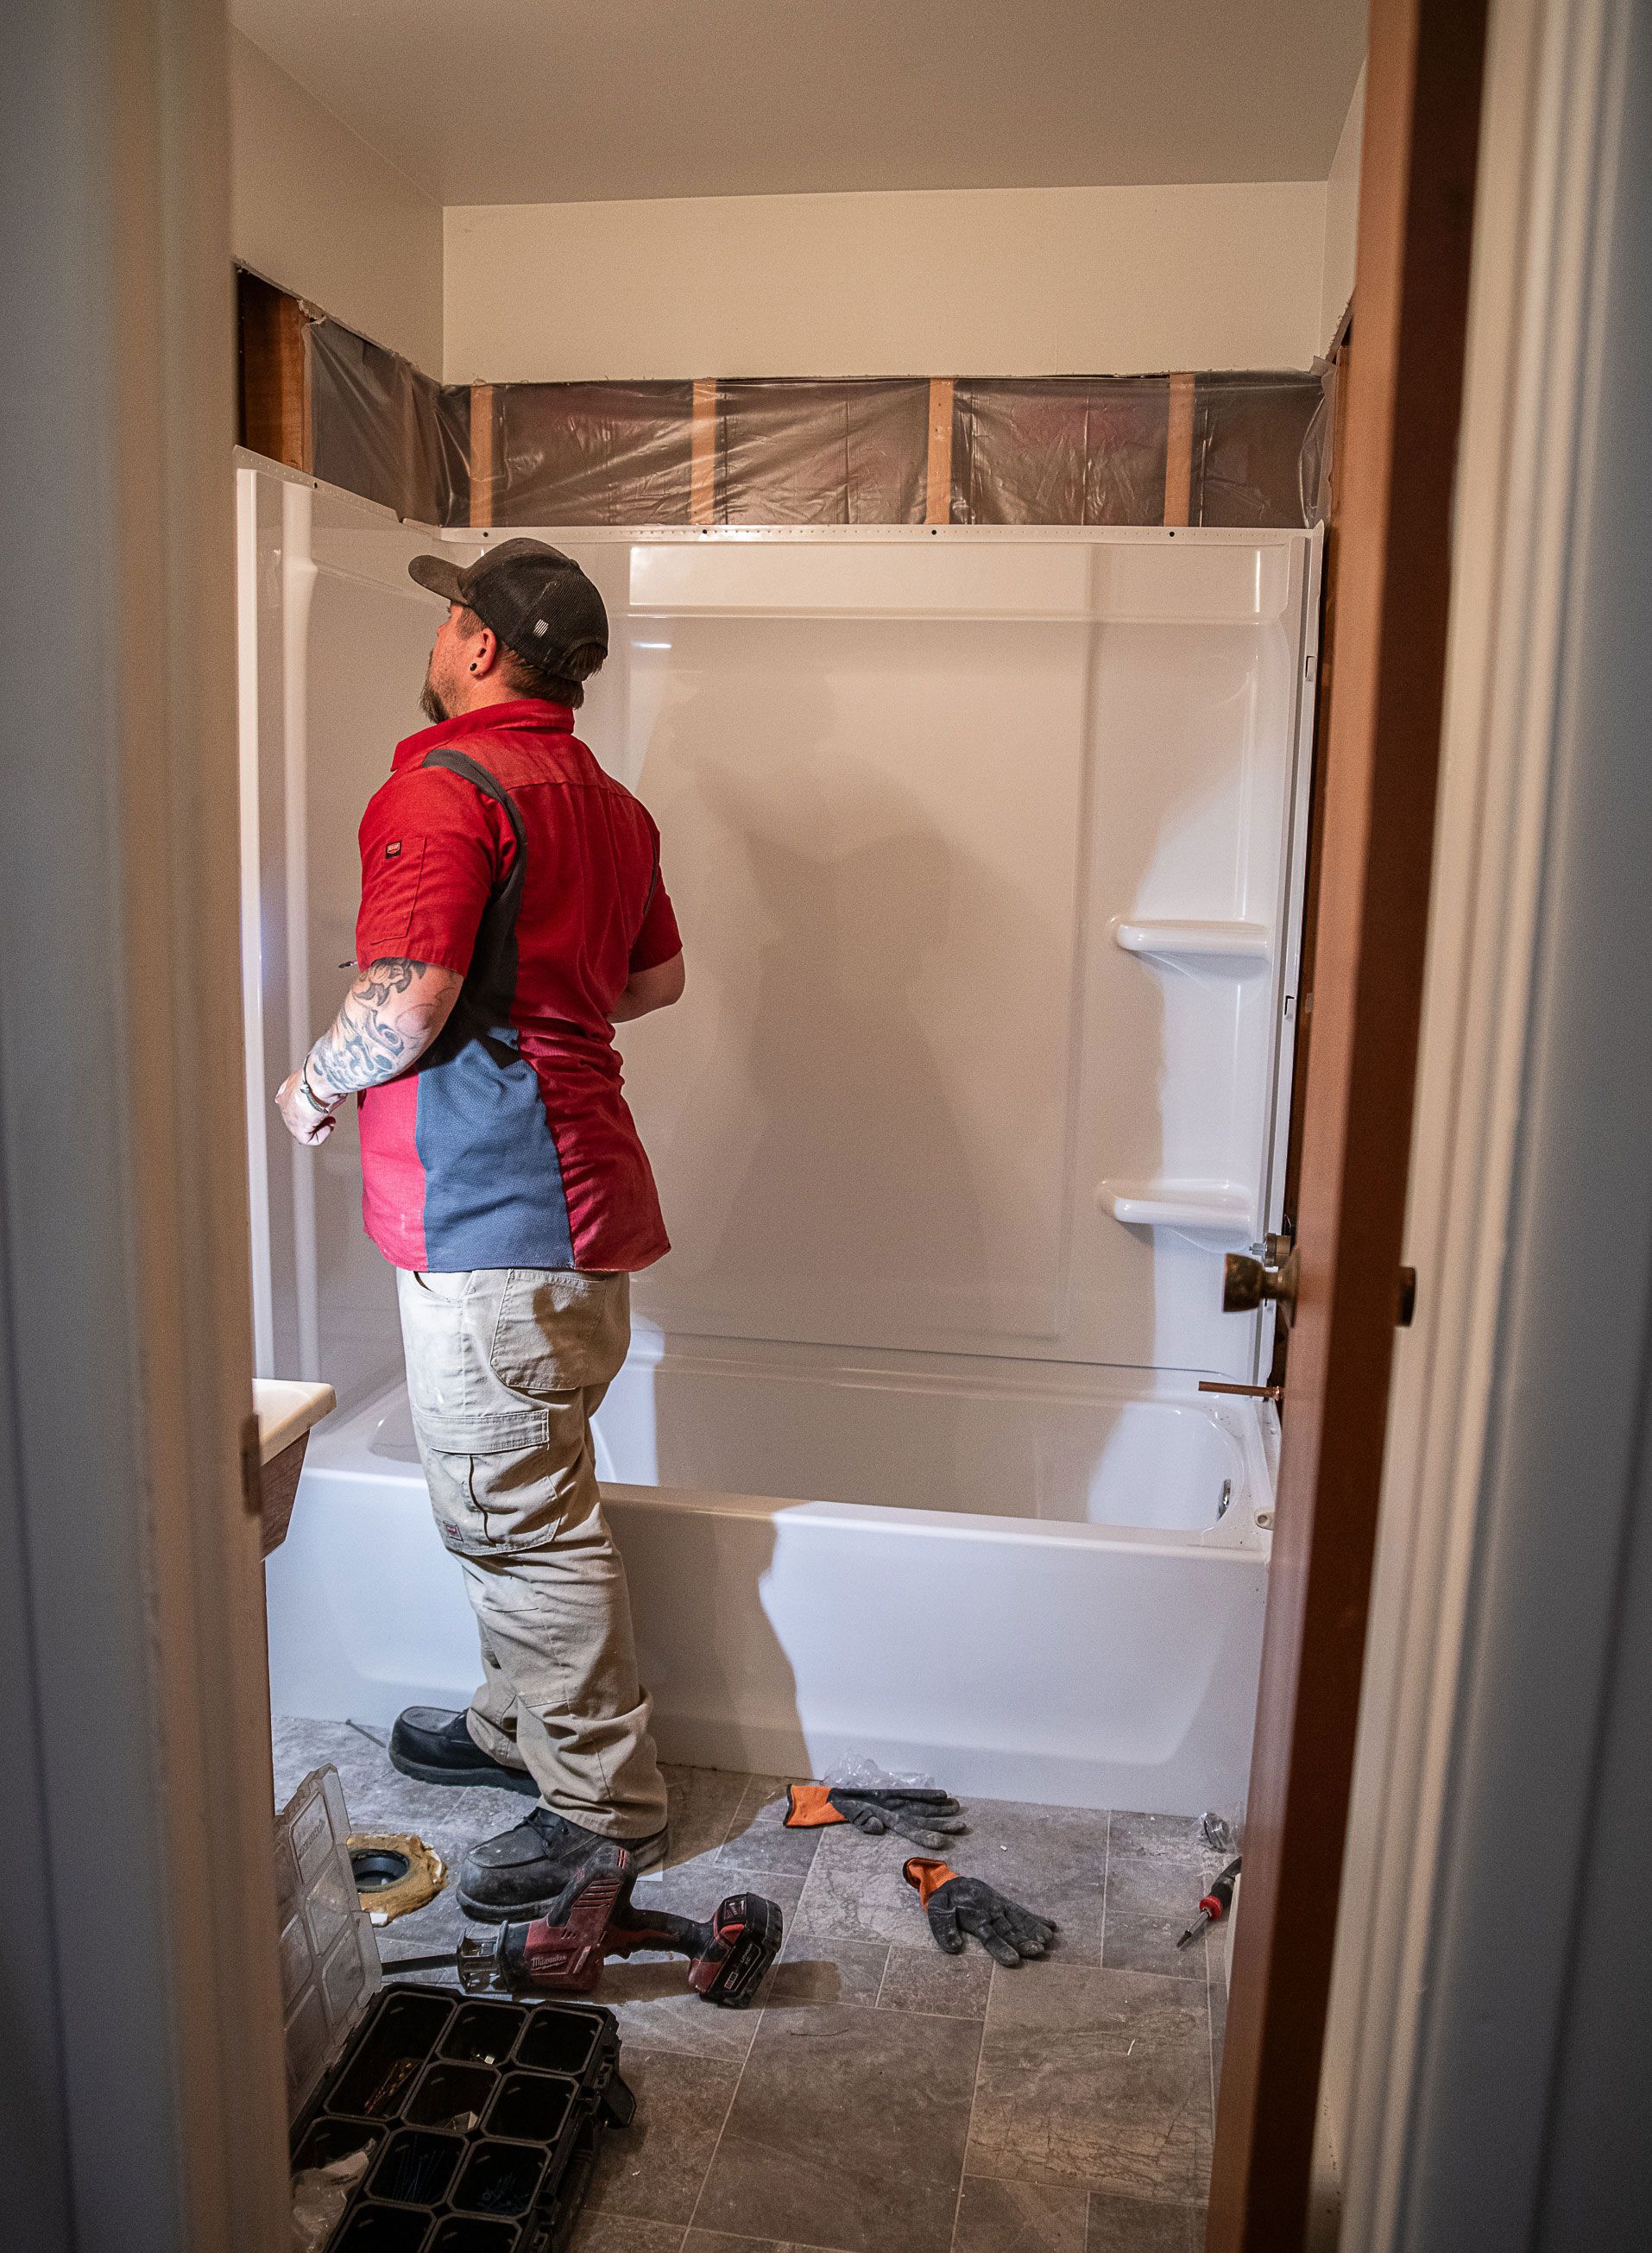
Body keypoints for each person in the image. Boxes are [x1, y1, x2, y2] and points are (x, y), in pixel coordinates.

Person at [275, 539, 684, 1919]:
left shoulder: (443, 788)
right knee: (526, 1489)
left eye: (454, 615)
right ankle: (521, 1725)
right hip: (578, 1204)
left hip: (493, 1214)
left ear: (476, 645)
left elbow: (402, 1003)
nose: (443, 632)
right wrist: (539, 1007)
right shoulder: (610, 803)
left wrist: (311, 1083)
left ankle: (601, 1812)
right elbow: (654, 979)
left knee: (518, 1523)